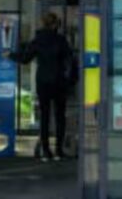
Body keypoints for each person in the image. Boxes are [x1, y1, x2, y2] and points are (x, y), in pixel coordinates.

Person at [8, 12, 74, 161]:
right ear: (55, 24)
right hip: (59, 81)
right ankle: (59, 150)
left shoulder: (37, 40)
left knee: (44, 116)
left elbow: (25, 59)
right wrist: (69, 78)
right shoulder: (61, 40)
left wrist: (10, 55)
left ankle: (46, 150)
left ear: (43, 24)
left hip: (43, 81)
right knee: (60, 116)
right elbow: (69, 59)